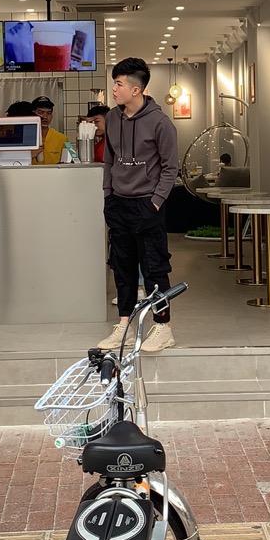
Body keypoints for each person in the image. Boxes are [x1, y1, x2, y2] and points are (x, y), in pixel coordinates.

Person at [99, 57, 178, 353]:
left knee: (154, 268)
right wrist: (108, 194)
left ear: (135, 89)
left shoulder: (160, 122)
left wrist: (156, 202)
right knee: (122, 267)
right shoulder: (113, 118)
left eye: (118, 84)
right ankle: (125, 326)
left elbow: (170, 167)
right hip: (118, 204)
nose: (114, 89)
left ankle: (163, 327)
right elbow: (109, 160)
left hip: (147, 204)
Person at [31, 95, 67, 165]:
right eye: (40, 112)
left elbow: (71, 162)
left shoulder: (62, 139)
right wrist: (29, 156)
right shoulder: (26, 139)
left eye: (49, 113)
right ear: (33, 114)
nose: (45, 117)